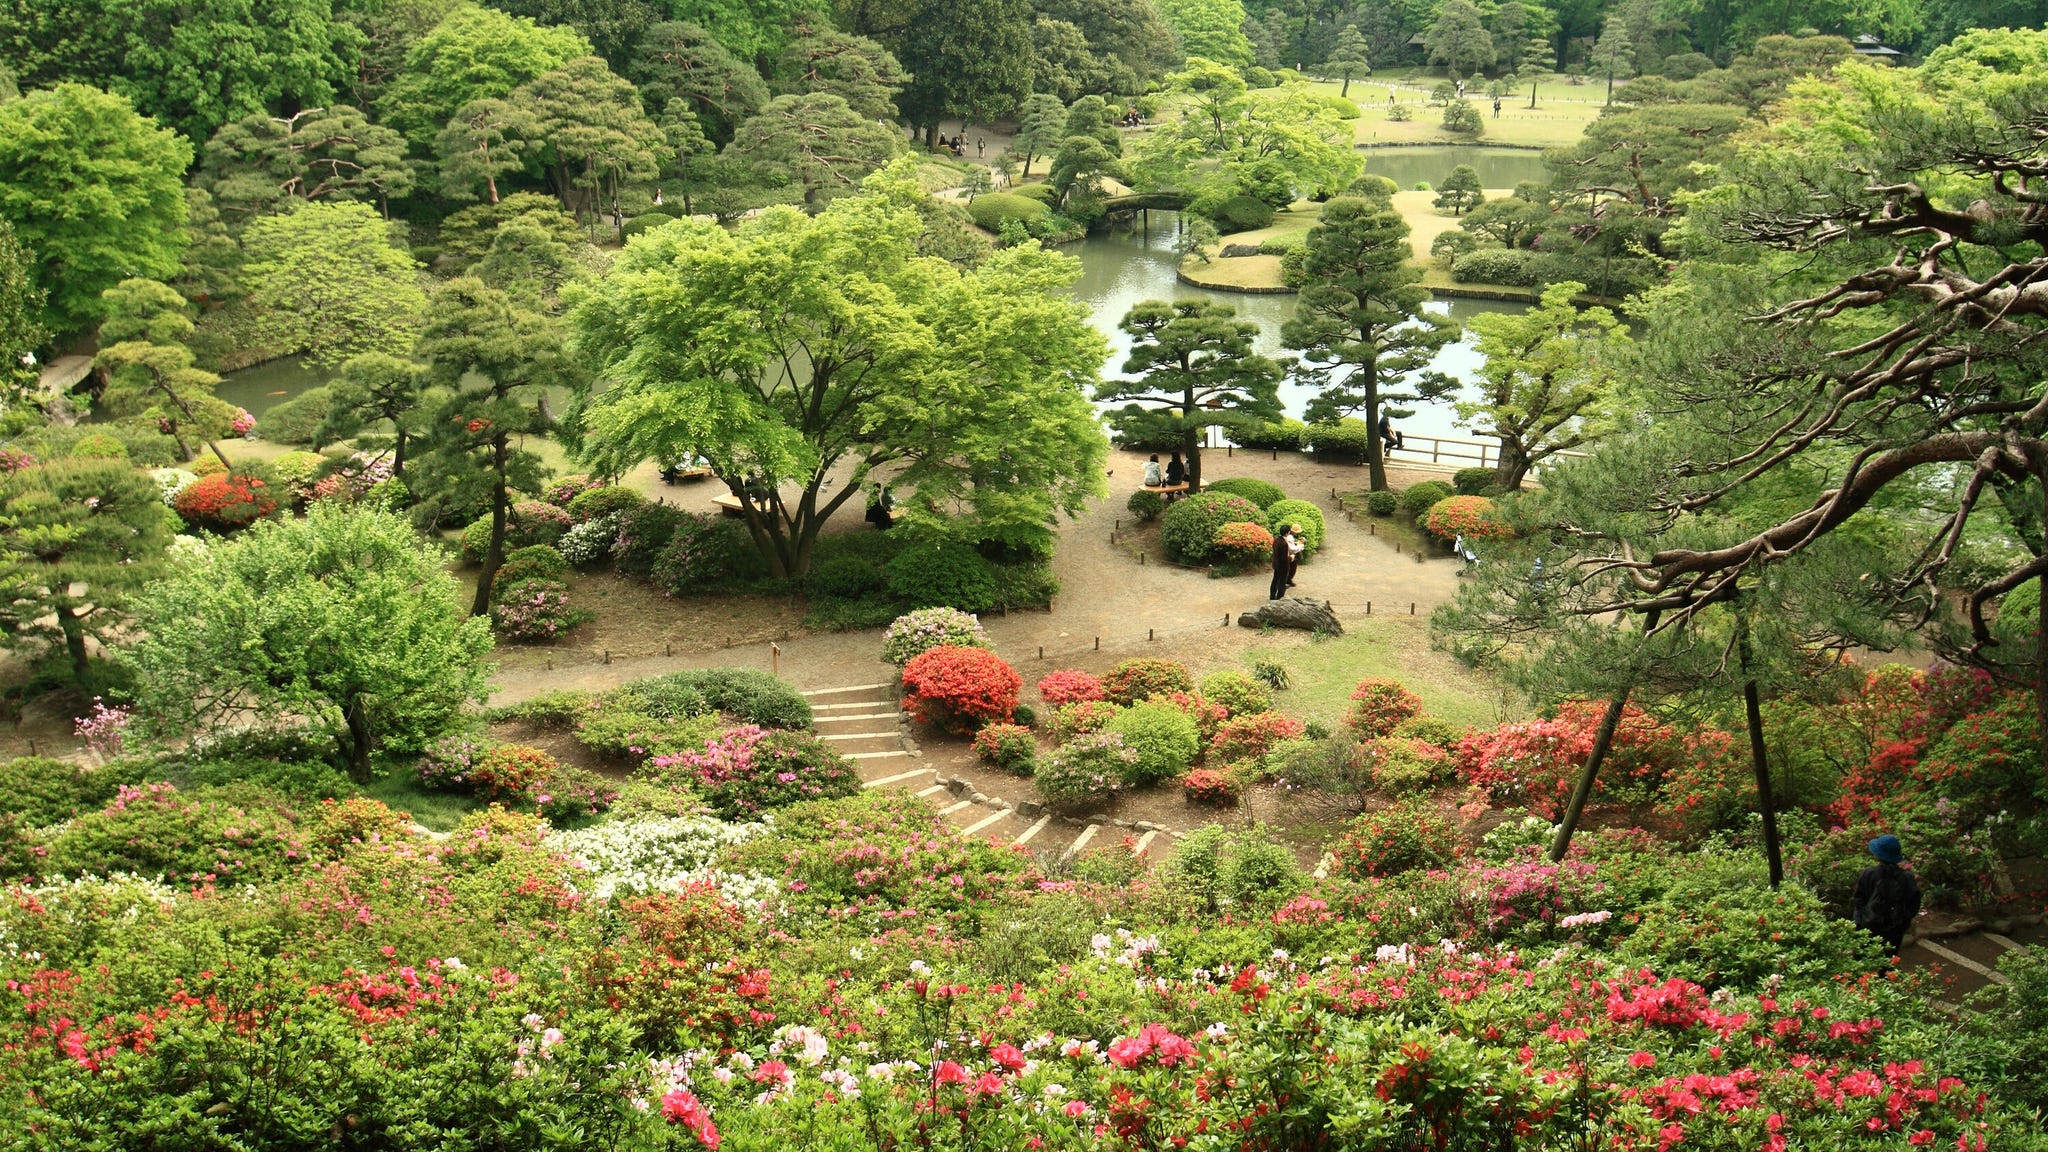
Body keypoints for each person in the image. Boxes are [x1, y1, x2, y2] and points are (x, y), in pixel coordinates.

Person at [1852, 835, 1923, 958]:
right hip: (1894, 931)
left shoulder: (1869, 873)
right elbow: (1914, 904)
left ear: (1878, 855)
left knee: (1862, 964)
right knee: (1887, 964)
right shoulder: (1907, 877)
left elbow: (1859, 900)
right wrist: (1902, 923)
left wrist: (1859, 923)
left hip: (1868, 927)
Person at [1269, 524, 1295, 600]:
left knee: (1275, 580)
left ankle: (1272, 596)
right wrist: (1291, 558)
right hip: (1283, 566)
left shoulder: (1276, 540)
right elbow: (1284, 558)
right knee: (1282, 582)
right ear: (1287, 533)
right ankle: (1279, 598)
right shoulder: (1283, 543)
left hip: (1276, 564)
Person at [1285, 523, 1304, 588]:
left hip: (1289, 555)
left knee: (1291, 568)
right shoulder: (1290, 537)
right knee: (1291, 569)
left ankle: (1288, 580)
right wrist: (1301, 545)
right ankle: (1287, 581)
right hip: (1289, 555)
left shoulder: (1290, 537)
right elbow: (1292, 549)